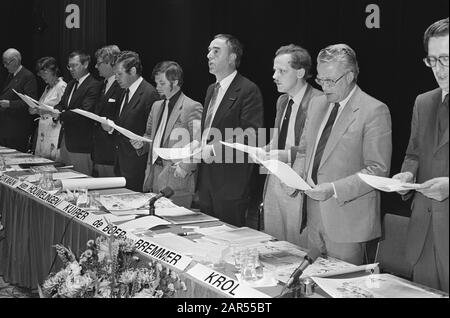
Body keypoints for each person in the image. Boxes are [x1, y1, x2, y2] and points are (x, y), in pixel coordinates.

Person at [292, 44, 392, 265]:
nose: (324, 87)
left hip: (348, 222)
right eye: (320, 80)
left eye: (330, 80)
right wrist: (292, 175)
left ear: (349, 76)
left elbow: (378, 170)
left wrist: (334, 189)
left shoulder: (374, 110)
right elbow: (306, 151)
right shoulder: (318, 104)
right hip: (314, 216)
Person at [392, 17, 449, 292]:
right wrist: (407, 173)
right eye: (432, 60)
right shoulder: (423, 102)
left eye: (446, 59)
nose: (438, 69)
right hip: (423, 234)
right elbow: (413, 153)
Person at [196, 34, 264, 227]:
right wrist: (199, 142)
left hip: (230, 184)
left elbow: (251, 137)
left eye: (216, 51)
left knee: (229, 242)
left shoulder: (248, 90)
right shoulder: (211, 89)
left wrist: (215, 149)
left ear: (232, 57)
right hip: (207, 180)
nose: (209, 55)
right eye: (209, 51)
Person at [256, 44, 322, 246]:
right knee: (274, 246)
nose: (275, 76)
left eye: (282, 71)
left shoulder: (319, 101)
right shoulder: (282, 101)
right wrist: (263, 151)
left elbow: (314, 149)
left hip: (298, 183)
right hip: (275, 182)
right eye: (275, 70)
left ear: (300, 72)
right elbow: (277, 140)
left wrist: (285, 155)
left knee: (297, 247)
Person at [130, 61, 202, 207]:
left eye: (162, 83)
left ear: (175, 82)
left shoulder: (192, 107)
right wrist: (141, 143)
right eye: (156, 83)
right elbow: (149, 135)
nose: (157, 88)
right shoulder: (156, 106)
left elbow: (199, 142)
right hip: (153, 175)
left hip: (177, 180)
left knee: (173, 226)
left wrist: (186, 167)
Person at [103, 51, 159, 191]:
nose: (116, 78)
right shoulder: (124, 91)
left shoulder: (150, 94)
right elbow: (123, 122)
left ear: (133, 71)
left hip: (137, 166)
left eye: (119, 74)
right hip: (121, 161)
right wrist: (110, 128)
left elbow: (153, 133)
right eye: (115, 74)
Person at [52, 50, 102, 175]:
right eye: (69, 66)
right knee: (66, 178)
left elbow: (84, 112)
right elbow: (61, 104)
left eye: (75, 65)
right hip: (65, 140)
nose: (71, 69)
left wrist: (60, 114)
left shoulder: (94, 85)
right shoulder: (71, 84)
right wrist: (55, 110)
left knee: (81, 181)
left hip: (82, 143)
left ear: (85, 64)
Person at [91, 45, 123, 177]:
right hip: (98, 151)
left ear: (111, 63)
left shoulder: (122, 86)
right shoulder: (102, 84)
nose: (96, 67)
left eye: (99, 63)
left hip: (112, 153)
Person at [0, 48, 38, 152]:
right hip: (6, 128)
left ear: (15, 61)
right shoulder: (10, 75)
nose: (5, 66)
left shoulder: (27, 76)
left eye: (6, 63)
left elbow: (32, 102)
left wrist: (10, 104)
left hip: (17, 130)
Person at [32, 57, 67, 160]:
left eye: (45, 73)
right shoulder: (47, 88)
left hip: (55, 129)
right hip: (44, 130)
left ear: (54, 71)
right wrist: (35, 110)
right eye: (40, 73)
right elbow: (43, 107)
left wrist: (45, 111)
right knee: (41, 160)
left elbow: (63, 110)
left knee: (51, 161)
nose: (42, 76)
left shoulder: (61, 86)